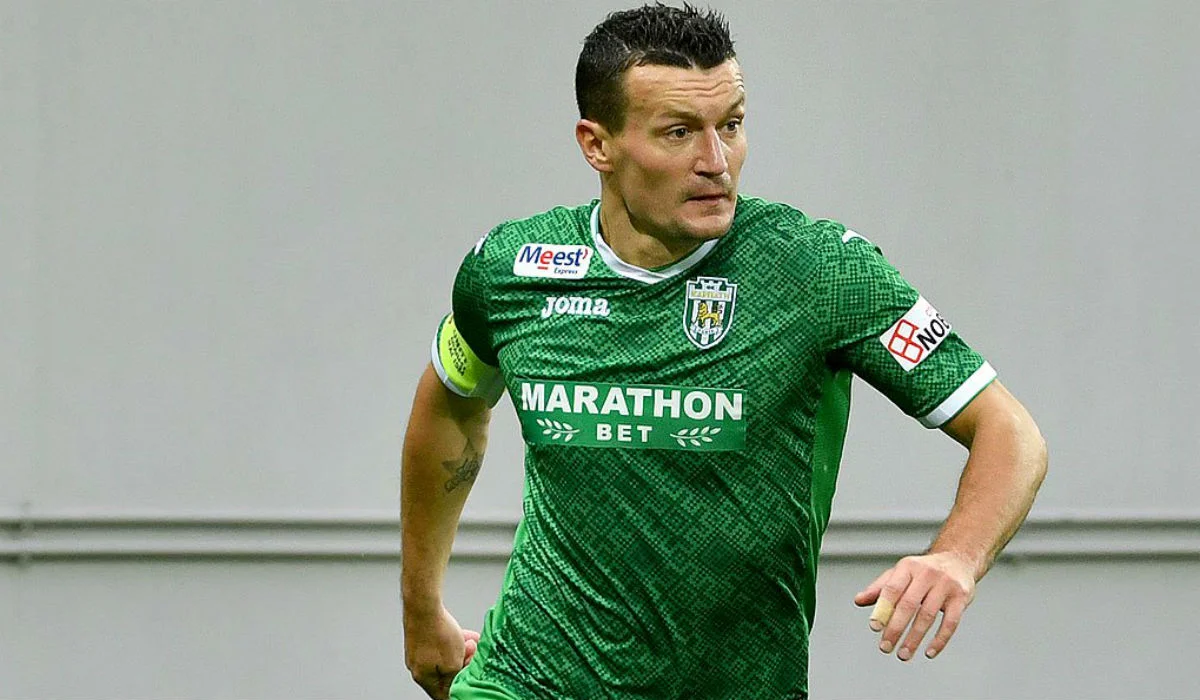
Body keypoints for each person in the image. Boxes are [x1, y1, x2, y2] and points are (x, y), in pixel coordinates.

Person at [401, 4, 1048, 699]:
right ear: (597, 144)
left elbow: (1009, 432)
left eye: (731, 125)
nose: (715, 162)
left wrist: (956, 557)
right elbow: (452, 406)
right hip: (527, 680)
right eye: (679, 132)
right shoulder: (510, 272)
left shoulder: (820, 272)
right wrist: (420, 607)